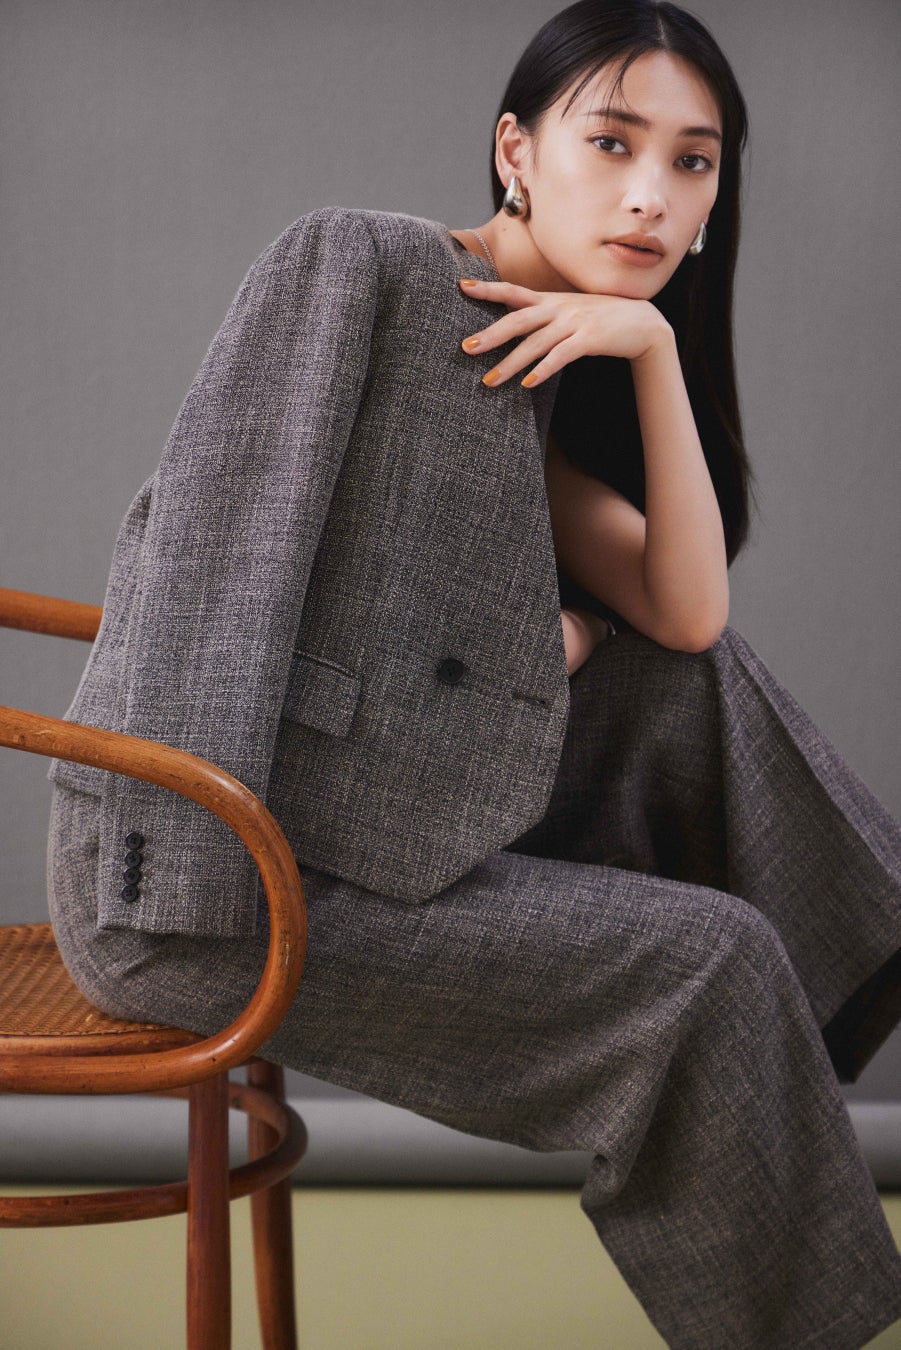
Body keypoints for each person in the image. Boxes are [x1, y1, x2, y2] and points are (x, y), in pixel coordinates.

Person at [45, 2, 901, 1345]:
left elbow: (686, 620)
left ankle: (823, 1003)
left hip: (366, 821)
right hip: (205, 876)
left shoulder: (532, 369)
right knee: (714, 961)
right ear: (516, 152)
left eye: (692, 162)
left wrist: (653, 354)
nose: (651, 195)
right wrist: (187, 890)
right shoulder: (362, 267)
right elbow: (219, 565)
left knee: (680, 685)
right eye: (611, 142)